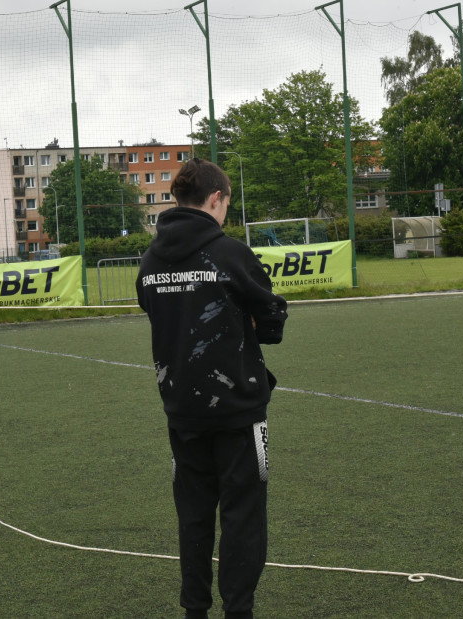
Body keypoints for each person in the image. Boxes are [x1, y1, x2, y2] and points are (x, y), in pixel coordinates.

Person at [135, 158, 287, 618]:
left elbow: (154, 309)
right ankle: (238, 611)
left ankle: (194, 610)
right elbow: (273, 320)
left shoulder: (150, 259)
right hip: (240, 413)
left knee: (194, 516)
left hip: (182, 413)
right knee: (243, 517)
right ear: (216, 199)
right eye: (226, 203)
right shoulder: (229, 253)